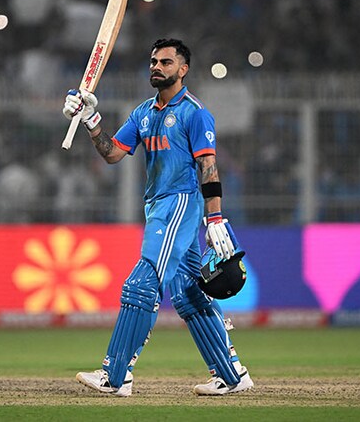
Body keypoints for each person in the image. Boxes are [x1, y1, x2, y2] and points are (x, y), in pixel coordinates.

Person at [62, 38, 253, 396]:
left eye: (166, 62)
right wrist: (90, 119)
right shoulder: (143, 113)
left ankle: (116, 376)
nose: (157, 67)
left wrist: (215, 218)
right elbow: (112, 153)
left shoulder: (195, 112)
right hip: (156, 206)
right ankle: (232, 375)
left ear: (183, 69)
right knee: (188, 292)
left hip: (179, 203)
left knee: (141, 283)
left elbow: (208, 166)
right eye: (153, 61)